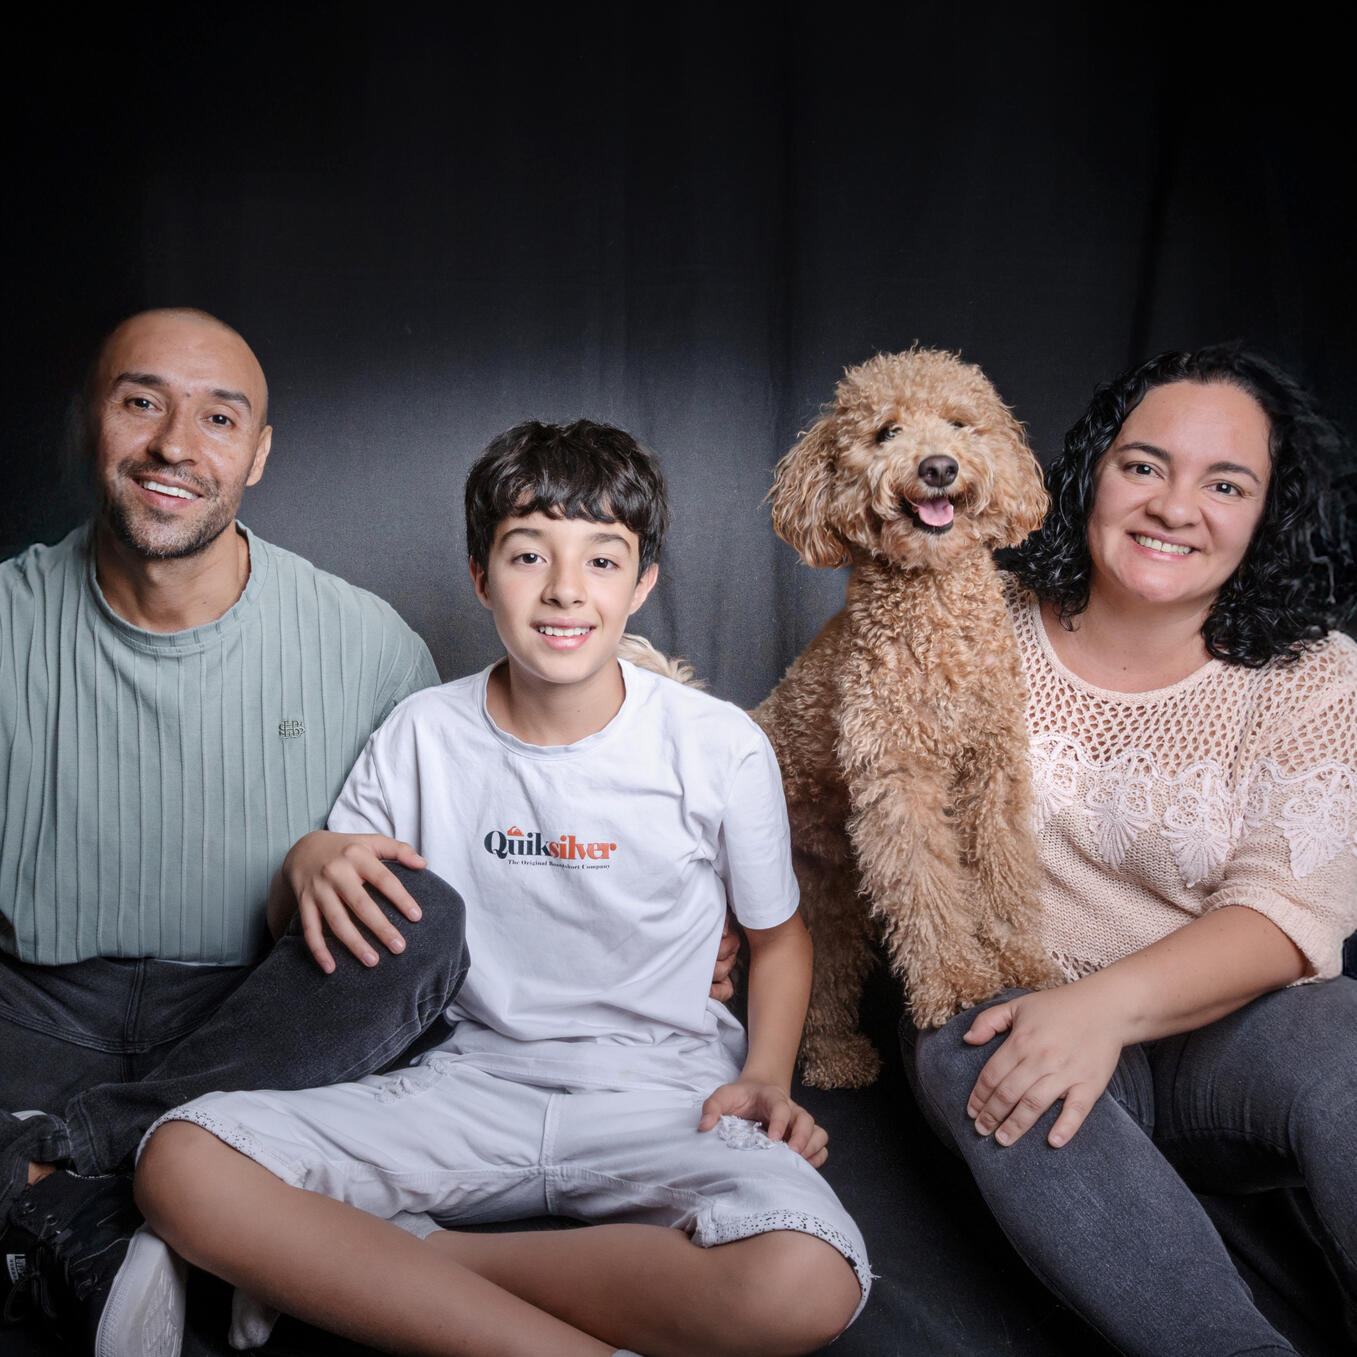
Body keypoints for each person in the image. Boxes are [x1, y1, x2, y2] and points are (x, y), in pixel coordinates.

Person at [132, 419, 870, 1357]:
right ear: (481, 575)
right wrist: (305, 862)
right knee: (180, 1161)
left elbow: (779, 937)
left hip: (664, 1089)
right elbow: (320, 931)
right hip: (464, 1080)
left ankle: (397, 1259)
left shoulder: (716, 744)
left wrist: (764, 1077)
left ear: (641, 584)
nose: (565, 589)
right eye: (528, 554)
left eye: (602, 560)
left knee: (808, 1280)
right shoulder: (420, 734)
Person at [0, 308, 478, 1352]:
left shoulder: (365, 642)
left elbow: (460, 869)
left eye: (219, 417)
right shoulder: (6, 620)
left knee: (425, 918)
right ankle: (146, 1202)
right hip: (29, 1017)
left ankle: (64, 1163)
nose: (176, 444)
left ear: (257, 455)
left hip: (257, 1023)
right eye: (142, 402)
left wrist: (675, 926)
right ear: (93, 420)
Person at [905, 344, 1357, 1357]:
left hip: (1220, 1039)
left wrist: (1103, 1006)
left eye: (1225, 482)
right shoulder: (975, 614)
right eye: (1144, 464)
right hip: (1012, 999)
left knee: (1348, 1034)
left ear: (1267, 513)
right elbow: (830, 755)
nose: (1173, 506)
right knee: (963, 1038)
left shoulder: (1315, 678)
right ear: (1092, 474)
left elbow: (1289, 913)